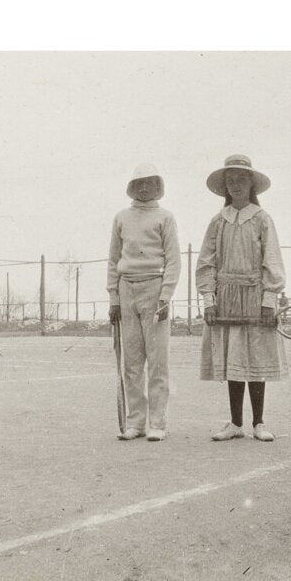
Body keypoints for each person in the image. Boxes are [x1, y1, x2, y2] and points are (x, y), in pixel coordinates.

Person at [196, 154, 288, 442]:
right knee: (233, 357)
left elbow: (272, 259)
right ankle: (236, 424)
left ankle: (258, 423)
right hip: (225, 298)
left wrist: (269, 302)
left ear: (252, 185)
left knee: (255, 357)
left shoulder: (262, 219)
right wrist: (209, 301)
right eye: (230, 180)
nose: (235, 185)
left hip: (255, 296)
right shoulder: (217, 222)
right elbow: (206, 263)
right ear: (225, 187)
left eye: (241, 179)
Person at [107, 163, 181, 441]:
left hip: (155, 288)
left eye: (150, 182)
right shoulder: (121, 217)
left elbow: (173, 259)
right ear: (132, 187)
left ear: (157, 186)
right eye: (139, 183)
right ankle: (135, 422)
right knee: (132, 361)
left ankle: (157, 422)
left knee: (158, 361)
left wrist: (165, 296)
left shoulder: (165, 217)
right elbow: (114, 260)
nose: (144, 188)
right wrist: (113, 296)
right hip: (127, 290)